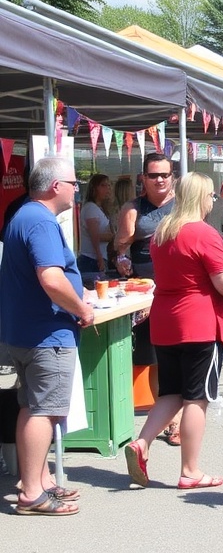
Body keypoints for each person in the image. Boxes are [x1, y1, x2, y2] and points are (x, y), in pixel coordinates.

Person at [123, 171, 223, 491]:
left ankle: (142, 442)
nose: (213, 201)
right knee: (196, 398)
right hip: (198, 322)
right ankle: (190, 470)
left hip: (165, 319)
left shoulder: (162, 231)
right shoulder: (203, 232)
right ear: (201, 197)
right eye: (212, 196)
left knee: (171, 392)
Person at [1, 157, 94, 515]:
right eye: (74, 183)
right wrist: (82, 309)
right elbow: (51, 279)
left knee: (32, 407)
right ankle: (32, 494)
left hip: (26, 331)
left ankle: (36, 481)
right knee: (44, 411)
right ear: (56, 186)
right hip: (46, 333)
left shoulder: (24, 215)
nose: (75, 190)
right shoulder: (39, 221)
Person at [114, 152, 178, 440]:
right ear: (144, 178)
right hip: (145, 290)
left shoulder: (182, 205)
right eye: (154, 175)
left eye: (165, 174)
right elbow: (120, 248)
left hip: (179, 288)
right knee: (153, 356)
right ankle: (167, 418)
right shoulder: (133, 207)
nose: (160, 179)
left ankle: (177, 417)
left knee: (179, 353)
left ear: (172, 176)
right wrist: (121, 258)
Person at [77, 173, 113, 278]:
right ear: (94, 188)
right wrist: (100, 258)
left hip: (98, 257)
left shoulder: (99, 208)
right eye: (103, 185)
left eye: (108, 185)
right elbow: (94, 236)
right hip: (92, 259)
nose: (107, 189)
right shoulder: (90, 208)